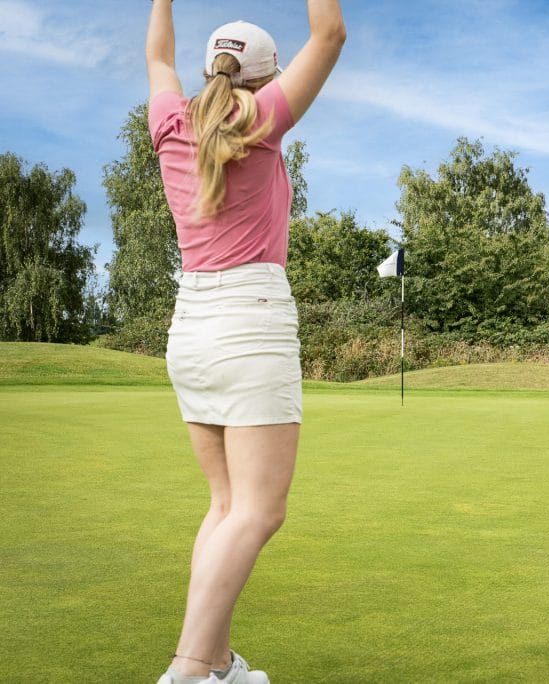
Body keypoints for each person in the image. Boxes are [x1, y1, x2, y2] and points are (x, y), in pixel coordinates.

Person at [145, 2, 345, 682]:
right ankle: (188, 670)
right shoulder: (261, 117)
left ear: (211, 69)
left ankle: (218, 662)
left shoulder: (169, 120)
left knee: (227, 505)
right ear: (266, 76)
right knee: (259, 511)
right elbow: (330, 33)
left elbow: (158, 57)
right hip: (250, 321)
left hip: (190, 324)